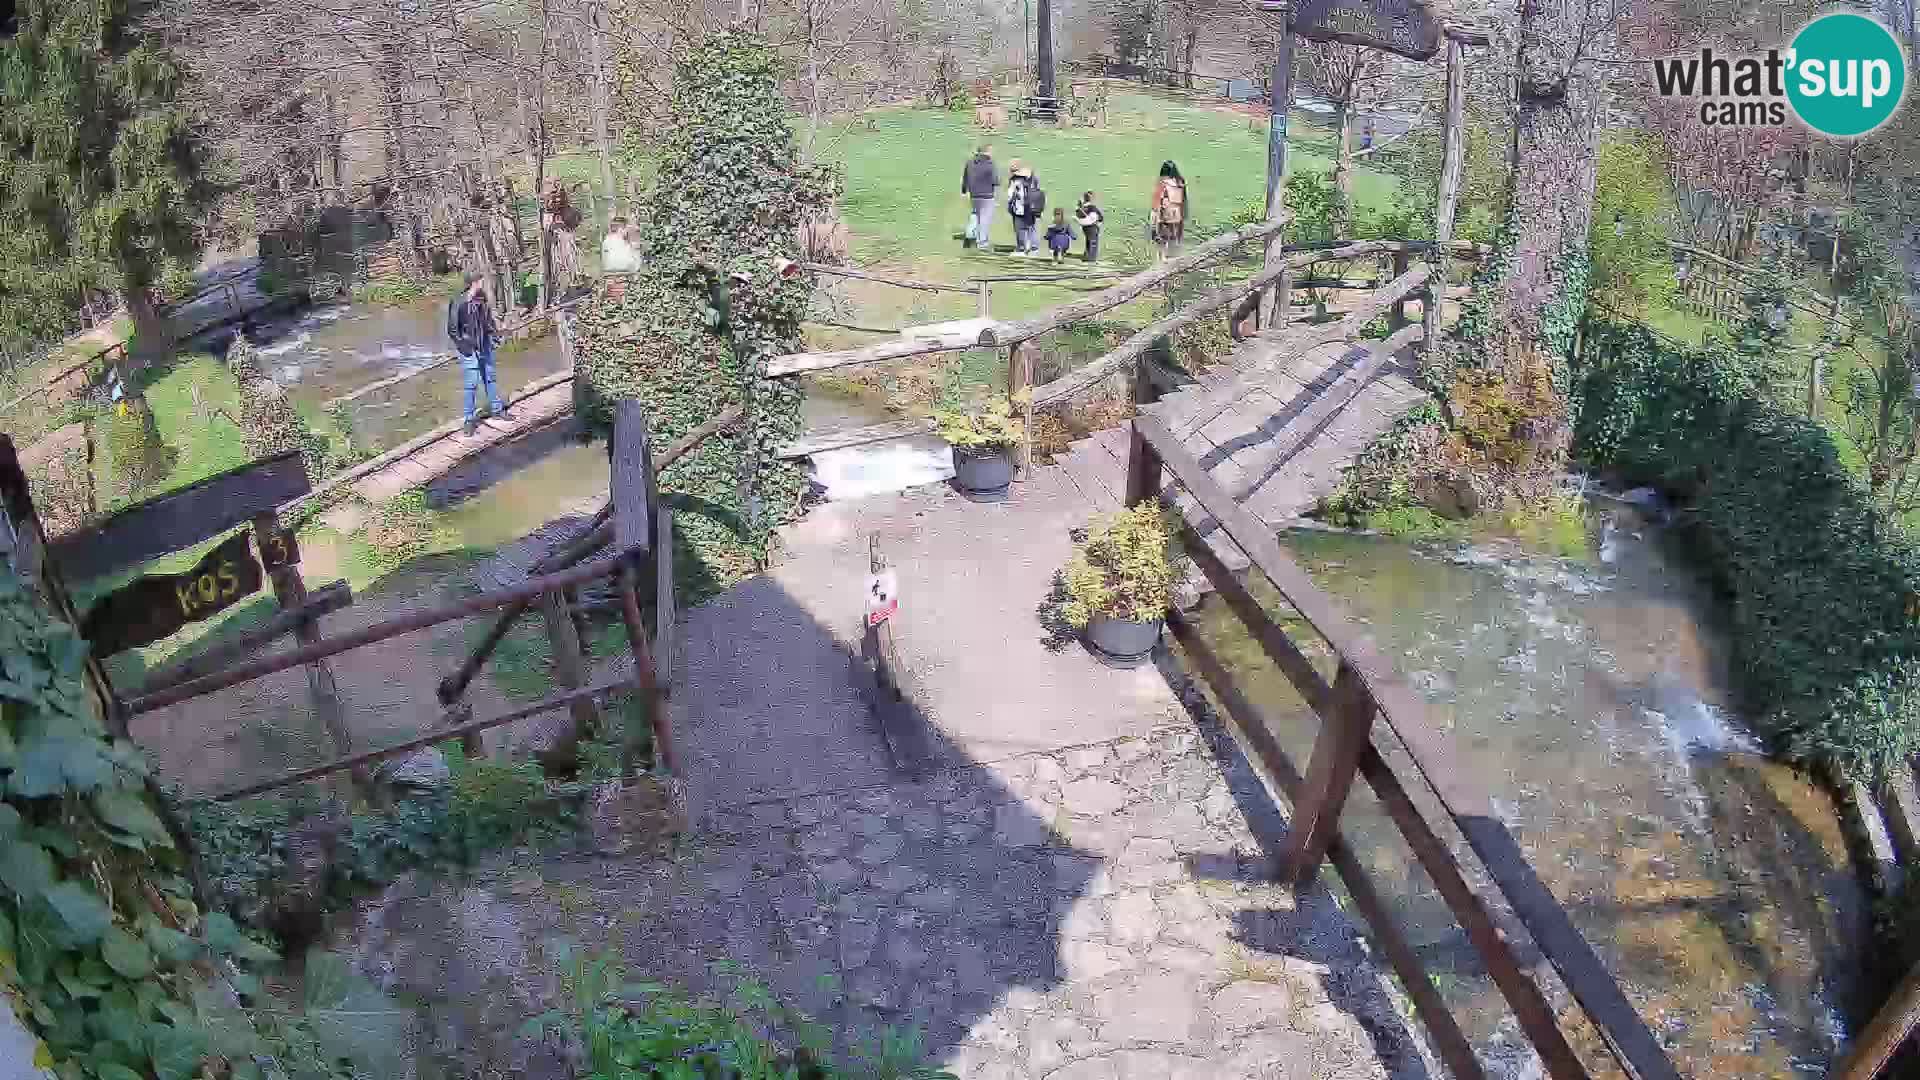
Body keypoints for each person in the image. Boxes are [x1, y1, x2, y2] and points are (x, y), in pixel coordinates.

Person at [448, 273, 508, 436]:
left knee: (490, 378)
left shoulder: (481, 298)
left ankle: (497, 410)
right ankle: (469, 420)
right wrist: (466, 348)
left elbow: (487, 321)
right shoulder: (458, 302)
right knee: (471, 385)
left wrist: (495, 335)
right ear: (474, 283)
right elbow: (453, 330)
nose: (483, 282)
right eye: (480, 280)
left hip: (484, 345)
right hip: (469, 348)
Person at [960, 143, 1000, 251]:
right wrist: (997, 197)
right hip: (987, 196)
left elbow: (965, 178)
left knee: (975, 216)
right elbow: (995, 181)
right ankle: (982, 244)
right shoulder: (990, 164)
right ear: (987, 151)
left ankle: (969, 236)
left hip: (974, 196)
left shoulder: (970, 163)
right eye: (991, 151)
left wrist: (964, 192)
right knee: (984, 220)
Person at [1150, 161, 1188, 260]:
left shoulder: (1162, 183)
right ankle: (1174, 261)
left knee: (1161, 243)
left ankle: (1162, 263)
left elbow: (1156, 204)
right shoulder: (1180, 183)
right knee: (1174, 242)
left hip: (1164, 216)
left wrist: (1153, 225)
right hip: (1178, 216)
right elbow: (1183, 202)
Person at [1007, 161, 1046, 256]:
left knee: (1020, 229)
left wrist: (1010, 207)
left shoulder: (1014, 180)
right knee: (1033, 229)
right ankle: (1034, 250)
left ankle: (1022, 249)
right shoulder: (1034, 178)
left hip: (1019, 209)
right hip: (1033, 208)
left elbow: (1010, 195)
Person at [1076, 191, 1104, 262]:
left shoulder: (1085, 208)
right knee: (1092, 242)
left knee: (1089, 241)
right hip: (1091, 227)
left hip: (1088, 227)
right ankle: (1091, 257)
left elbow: (1080, 216)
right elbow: (1096, 218)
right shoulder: (1091, 207)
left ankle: (1089, 256)